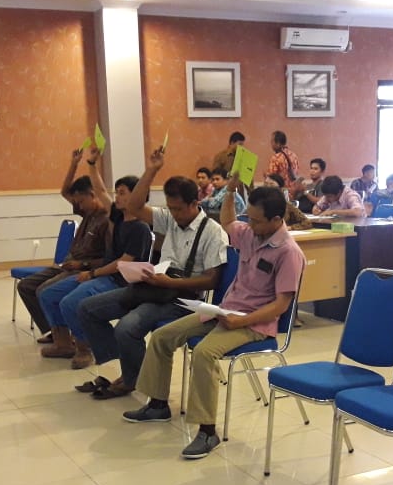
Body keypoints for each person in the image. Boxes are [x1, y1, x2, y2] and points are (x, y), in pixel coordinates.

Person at [124, 180, 305, 460]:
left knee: (204, 353)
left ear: (276, 219)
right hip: (225, 310)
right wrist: (230, 191)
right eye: (249, 219)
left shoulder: (289, 253)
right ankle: (158, 404)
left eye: (256, 221)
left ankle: (208, 431)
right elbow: (229, 221)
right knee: (162, 337)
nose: (250, 225)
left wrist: (242, 321)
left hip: (255, 323)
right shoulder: (251, 234)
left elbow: (281, 305)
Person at [77, 148, 228, 400]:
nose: (174, 214)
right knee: (87, 309)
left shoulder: (213, 232)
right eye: (170, 208)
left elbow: (212, 280)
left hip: (183, 299)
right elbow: (134, 206)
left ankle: (132, 379)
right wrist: (152, 169)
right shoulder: (170, 219)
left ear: (195, 204)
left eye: (179, 209)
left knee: (126, 328)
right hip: (154, 287)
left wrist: (170, 282)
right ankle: (127, 367)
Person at [38, 151, 152, 367]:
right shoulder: (118, 216)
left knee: (70, 303)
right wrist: (91, 164)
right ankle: (64, 344)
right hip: (102, 276)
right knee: (49, 294)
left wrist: (91, 273)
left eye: (122, 193)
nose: (116, 197)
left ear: (137, 195)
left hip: (118, 281)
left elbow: (122, 264)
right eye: (117, 193)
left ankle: (85, 348)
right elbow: (99, 190)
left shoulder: (140, 228)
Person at [17, 149, 110, 343]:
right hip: (68, 265)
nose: (79, 206)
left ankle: (66, 338)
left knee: (45, 290)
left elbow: (109, 259)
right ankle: (55, 330)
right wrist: (74, 164)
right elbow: (65, 192)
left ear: (93, 195)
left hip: (83, 268)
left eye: (81, 201)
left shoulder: (107, 220)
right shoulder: (88, 212)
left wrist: (82, 265)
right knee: (26, 286)